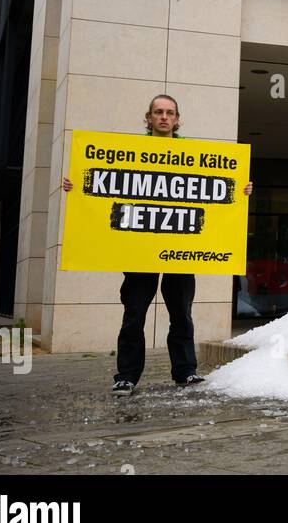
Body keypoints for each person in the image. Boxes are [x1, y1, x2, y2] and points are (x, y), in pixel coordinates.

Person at [63, 94, 253, 396]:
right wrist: (76, 185)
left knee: (181, 314)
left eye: (170, 113)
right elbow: (99, 182)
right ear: (149, 118)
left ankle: (185, 372)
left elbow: (218, 189)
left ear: (177, 120)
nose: (164, 117)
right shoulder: (127, 153)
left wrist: (241, 189)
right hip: (139, 253)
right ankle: (126, 376)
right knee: (134, 314)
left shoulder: (194, 155)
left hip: (179, 253)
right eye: (158, 112)